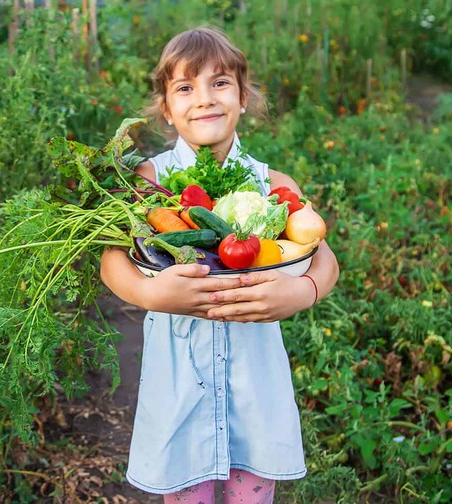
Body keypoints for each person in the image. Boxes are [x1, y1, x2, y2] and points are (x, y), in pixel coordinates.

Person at [99, 26, 339, 504]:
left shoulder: (273, 184)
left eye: (221, 83)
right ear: (167, 108)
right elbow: (111, 260)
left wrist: (301, 292)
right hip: (180, 387)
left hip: (256, 387)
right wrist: (148, 294)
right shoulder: (148, 181)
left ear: (243, 96)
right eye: (185, 87)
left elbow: (324, 257)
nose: (204, 99)